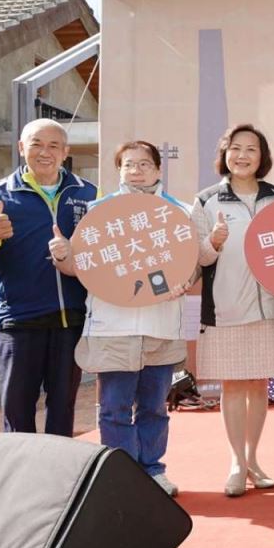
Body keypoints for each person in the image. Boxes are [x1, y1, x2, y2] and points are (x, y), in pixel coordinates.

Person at [58, 141, 191, 496]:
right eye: (128, 164)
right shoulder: (97, 212)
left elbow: (191, 263)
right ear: (118, 171)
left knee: (154, 407)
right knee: (114, 407)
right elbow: (78, 266)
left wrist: (185, 279)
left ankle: (152, 470)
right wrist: (62, 255)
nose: (136, 171)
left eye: (144, 164)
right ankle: (123, 477)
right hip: (113, 326)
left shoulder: (180, 212)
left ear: (158, 169)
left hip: (160, 326)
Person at [0, 118, 96, 435]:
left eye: (53, 145)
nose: (44, 152)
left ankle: (59, 466)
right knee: (17, 408)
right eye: (36, 144)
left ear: (65, 152)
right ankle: (19, 467)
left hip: (71, 319)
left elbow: (102, 250)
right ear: (22, 148)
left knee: (63, 408)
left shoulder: (89, 193)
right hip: (18, 319)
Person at [193, 124, 274, 496]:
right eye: (235, 148)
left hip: (270, 308)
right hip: (227, 309)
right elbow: (197, 260)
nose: (243, 155)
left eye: (251, 149)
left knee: (259, 384)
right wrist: (213, 241)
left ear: (262, 157)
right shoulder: (207, 200)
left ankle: (253, 459)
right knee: (234, 384)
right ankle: (236, 462)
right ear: (225, 154)